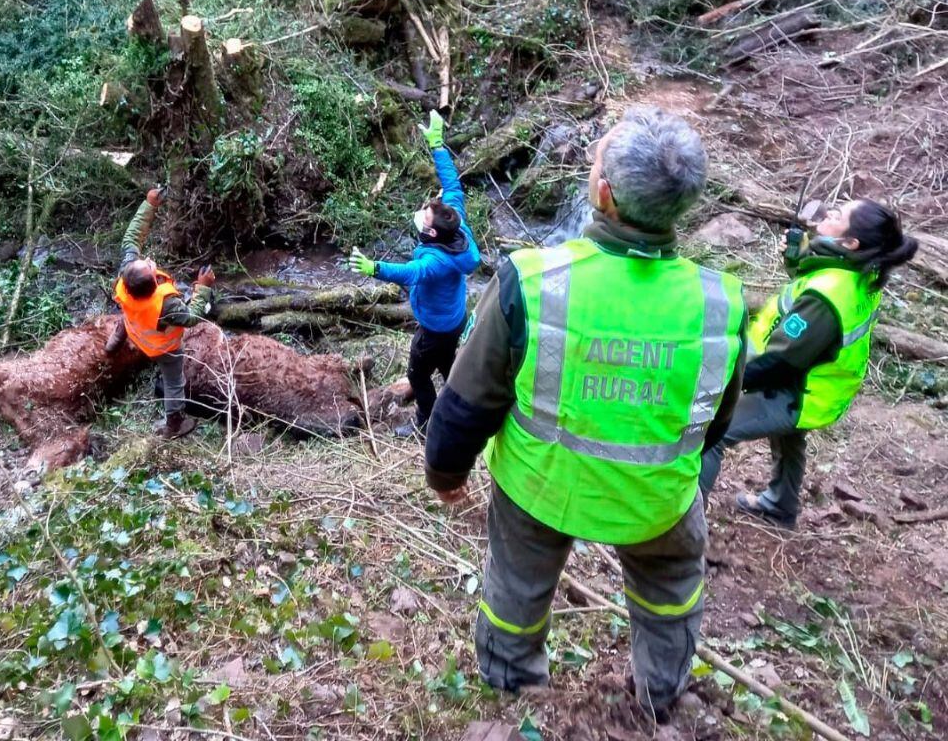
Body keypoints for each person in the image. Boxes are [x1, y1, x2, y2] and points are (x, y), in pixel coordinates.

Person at [423, 107, 747, 722]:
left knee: (516, 588)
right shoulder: (720, 301)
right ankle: (660, 693)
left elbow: (468, 401)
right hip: (658, 502)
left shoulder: (533, 278)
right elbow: (716, 422)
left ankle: (513, 685)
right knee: (671, 594)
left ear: (603, 193)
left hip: (541, 489)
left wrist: (446, 475)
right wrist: (693, 483)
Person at [700, 198, 919, 528]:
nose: (830, 212)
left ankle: (681, 527)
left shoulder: (825, 298)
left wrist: (729, 378)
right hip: (824, 386)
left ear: (850, 242)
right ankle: (780, 506)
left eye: (838, 215)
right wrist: (798, 254)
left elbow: (779, 362)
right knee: (789, 440)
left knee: (711, 435)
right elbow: (818, 276)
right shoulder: (862, 270)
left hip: (796, 390)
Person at [349, 110, 480, 437]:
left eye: (425, 216)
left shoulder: (436, 262)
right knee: (452, 367)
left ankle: (426, 421)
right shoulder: (455, 220)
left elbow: (409, 272)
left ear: (433, 234)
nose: (422, 213)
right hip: (455, 320)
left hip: (434, 329)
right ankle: (461, 408)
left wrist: (372, 268)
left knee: (419, 375)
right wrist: (437, 144)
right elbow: (452, 182)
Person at [106, 186, 215, 439]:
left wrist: (149, 204)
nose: (151, 262)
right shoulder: (166, 305)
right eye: (150, 267)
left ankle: (112, 347)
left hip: (133, 326)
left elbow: (132, 238)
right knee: (173, 382)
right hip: (162, 348)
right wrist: (203, 289)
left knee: (125, 318)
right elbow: (192, 318)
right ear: (154, 283)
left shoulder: (125, 275)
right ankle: (174, 425)